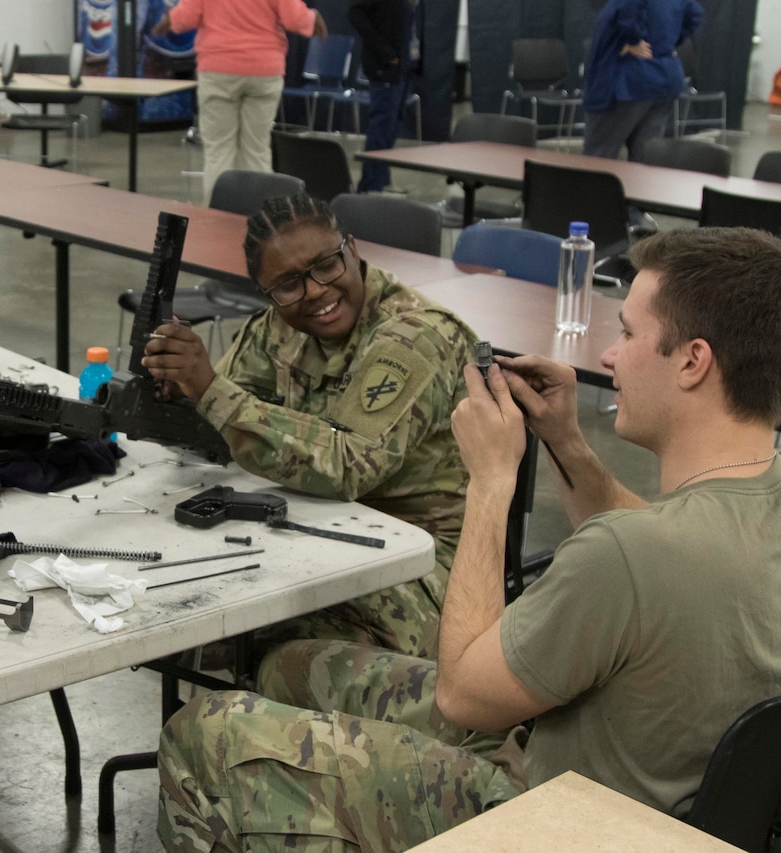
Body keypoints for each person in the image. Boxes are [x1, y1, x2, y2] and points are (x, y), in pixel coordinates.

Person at [156, 226, 781, 852]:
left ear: (693, 362)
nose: (610, 356)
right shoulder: (732, 515)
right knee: (291, 667)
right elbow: (662, 547)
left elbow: (461, 695)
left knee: (201, 733)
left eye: (625, 333)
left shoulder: (625, 554)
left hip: (555, 823)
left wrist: (490, 479)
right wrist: (564, 440)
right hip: (623, 785)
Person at [142, 192, 476, 658]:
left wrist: (211, 392)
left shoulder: (415, 336)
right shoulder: (276, 327)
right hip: (317, 530)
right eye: (288, 285)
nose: (315, 290)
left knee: (274, 653)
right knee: (179, 617)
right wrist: (181, 392)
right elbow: (220, 424)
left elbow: (349, 465)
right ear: (267, 293)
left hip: (426, 561)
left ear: (353, 250)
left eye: (327, 265)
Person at [152, 0, 328, 203]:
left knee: (219, 152)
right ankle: (258, 220)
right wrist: (312, 17)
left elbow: (185, 18)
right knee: (257, 150)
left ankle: (218, 218)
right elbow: (295, 18)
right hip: (264, 70)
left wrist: (169, 19)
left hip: (218, 69)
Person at [582, 0, 703, 162]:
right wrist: (668, 44)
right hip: (663, 79)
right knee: (646, 159)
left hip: (626, 82)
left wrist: (633, 41)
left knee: (598, 157)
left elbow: (628, 10)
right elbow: (695, 13)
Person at [348, 0, 414, 193]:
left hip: (403, 67)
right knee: (382, 126)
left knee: (392, 125)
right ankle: (369, 187)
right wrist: (386, 53)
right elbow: (355, 14)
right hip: (384, 67)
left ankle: (381, 181)